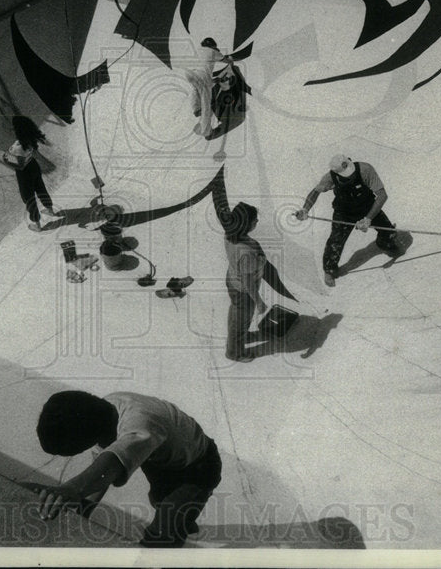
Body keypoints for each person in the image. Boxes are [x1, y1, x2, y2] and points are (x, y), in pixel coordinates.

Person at [35, 390, 222, 548]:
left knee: (161, 536)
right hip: (164, 455)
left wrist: (72, 489)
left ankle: (179, 524)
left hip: (198, 468)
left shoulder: (140, 423)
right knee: (159, 499)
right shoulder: (103, 411)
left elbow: (110, 464)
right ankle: (184, 519)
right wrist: (82, 510)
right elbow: (101, 471)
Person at [295, 155, 399, 286]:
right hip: (344, 212)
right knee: (335, 242)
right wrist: (305, 209)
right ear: (336, 173)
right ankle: (329, 270)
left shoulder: (365, 169)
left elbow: (382, 195)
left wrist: (368, 219)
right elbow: (316, 191)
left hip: (367, 207)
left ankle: (384, 243)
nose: (351, 175)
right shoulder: (330, 178)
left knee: (388, 232)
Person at [212, 177, 267, 361]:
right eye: (254, 220)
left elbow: (222, 208)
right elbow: (248, 282)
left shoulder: (231, 232)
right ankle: (235, 352)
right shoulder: (246, 253)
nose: (256, 221)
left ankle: (239, 337)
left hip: (233, 281)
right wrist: (258, 302)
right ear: (247, 224)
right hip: (244, 290)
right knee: (241, 319)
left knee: (237, 314)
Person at [2, 116, 61, 232]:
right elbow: (33, 153)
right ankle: (50, 209)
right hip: (33, 166)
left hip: (24, 174)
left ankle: (37, 224)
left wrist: (7, 161)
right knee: (41, 189)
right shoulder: (29, 139)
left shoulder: (19, 147)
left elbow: (20, 165)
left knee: (28, 198)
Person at [184, 38, 233, 138]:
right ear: (212, 46)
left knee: (196, 89)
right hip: (202, 76)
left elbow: (202, 73)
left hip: (189, 73)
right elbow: (225, 60)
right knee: (206, 103)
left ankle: (196, 108)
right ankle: (207, 132)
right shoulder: (213, 51)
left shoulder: (198, 50)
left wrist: (214, 81)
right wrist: (230, 60)